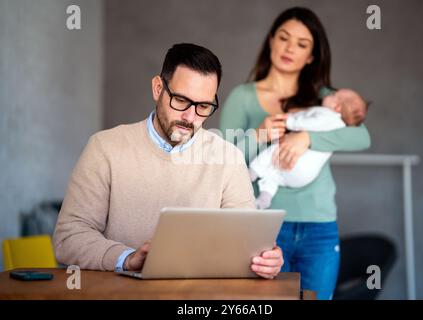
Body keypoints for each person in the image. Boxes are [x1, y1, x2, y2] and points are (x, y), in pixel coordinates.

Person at [53, 43, 283, 279]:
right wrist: (127, 259)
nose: (190, 117)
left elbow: (244, 241)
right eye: (181, 100)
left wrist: (265, 259)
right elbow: (69, 238)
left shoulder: (229, 158)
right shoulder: (104, 148)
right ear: (157, 88)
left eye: (203, 106)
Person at [220, 7, 371, 299]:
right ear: (271, 40)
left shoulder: (326, 98)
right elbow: (225, 161)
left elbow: (362, 136)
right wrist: (259, 135)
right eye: (284, 38)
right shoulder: (243, 97)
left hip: (320, 227)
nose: (290, 49)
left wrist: (306, 137)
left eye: (302, 44)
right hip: (264, 227)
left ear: (311, 56)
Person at [250, 88, 369, 209]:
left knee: (272, 153)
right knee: (274, 175)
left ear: (337, 107)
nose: (328, 94)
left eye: (333, 94)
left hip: (297, 163)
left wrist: (289, 121)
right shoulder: (341, 126)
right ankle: (265, 196)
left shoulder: (327, 114)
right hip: (304, 176)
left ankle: (252, 172)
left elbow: (309, 123)